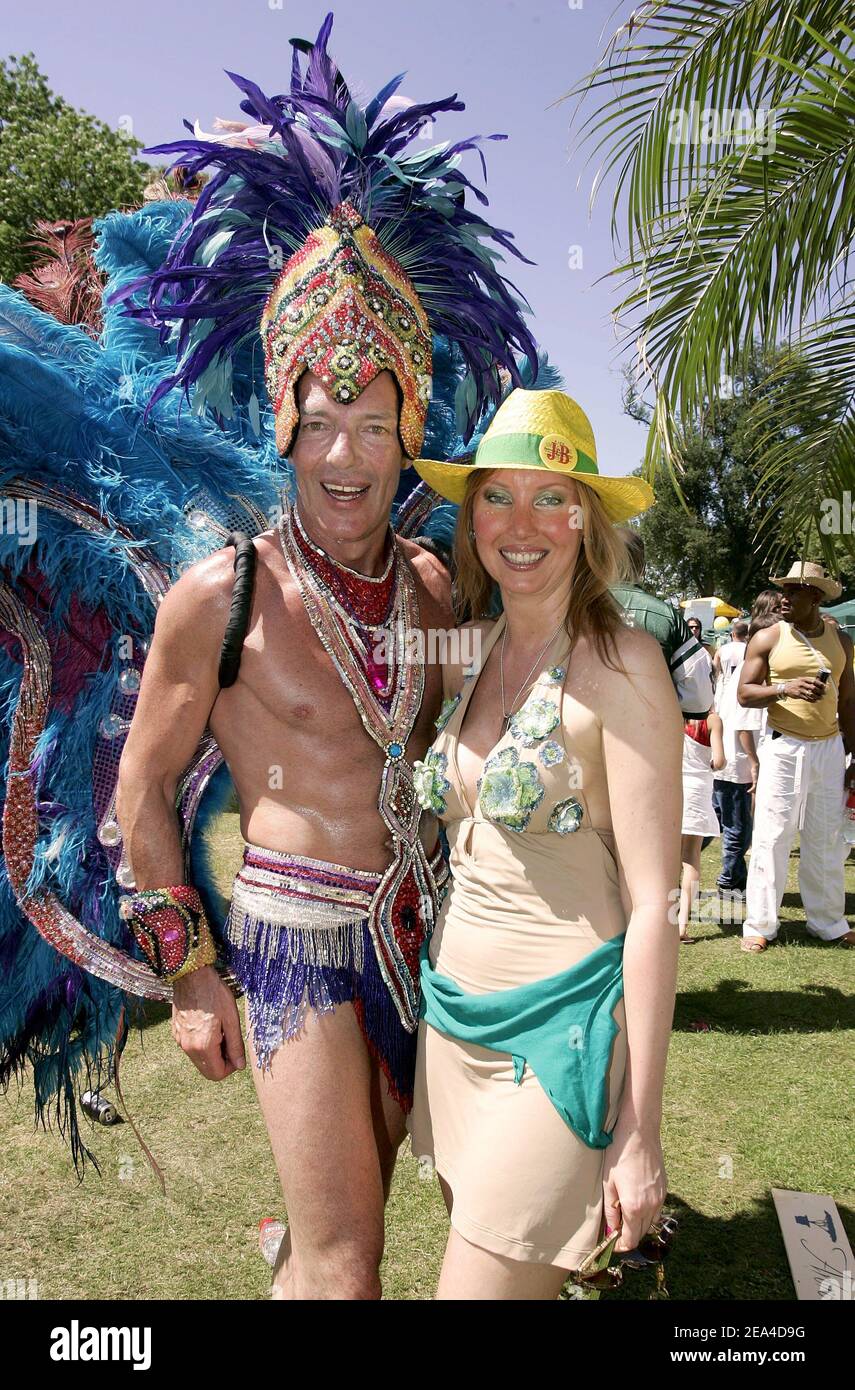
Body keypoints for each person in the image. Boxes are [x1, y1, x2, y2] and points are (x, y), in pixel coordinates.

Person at [115, 19, 538, 1300]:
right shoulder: (221, 592)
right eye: (319, 421)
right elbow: (138, 797)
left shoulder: (427, 581)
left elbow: (499, 721)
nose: (345, 456)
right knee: (351, 1265)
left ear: (415, 425)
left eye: (374, 421)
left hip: (422, 938)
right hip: (293, 934)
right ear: (283, 420)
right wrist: (191, 975)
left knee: (351, 1236)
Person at [408, 389, 683, 1300]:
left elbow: (655, 906)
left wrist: (640, 1131)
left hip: (560, 1041)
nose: (521, 524)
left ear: (586, 520)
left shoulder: (621, 663)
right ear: (470, 513)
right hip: (453, 1027)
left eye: (551, 498)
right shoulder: (468, 651)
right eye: (497, 496)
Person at [737, 562, 855, 952]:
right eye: (783, 590)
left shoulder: (842, 641)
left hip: (830, 746)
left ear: (816, 598)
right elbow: (744, 693)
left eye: (794, 592)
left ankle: (828, 922)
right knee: (772, 836)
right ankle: (760, 924)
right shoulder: (768, 637)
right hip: (784, 745)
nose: (784, 599)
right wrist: (784, 688)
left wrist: (852, 754)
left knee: (826, 838)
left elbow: (849, 699)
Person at [612, 529, 715, 715]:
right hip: (648, 732)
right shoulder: (666, 615)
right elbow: (699, 698)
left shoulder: (567, 609)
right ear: (642, 567)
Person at [711, 619, 757, 893]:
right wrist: (754, 761)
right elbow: (744, 726)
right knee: (736, 826)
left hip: (727, 755)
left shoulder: (729, 658)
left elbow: (717, 675)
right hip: (735, 760)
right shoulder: (749, 667)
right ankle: (728, 880)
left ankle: (736, 876)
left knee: (723, 820)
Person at [678, 711, 726, 940]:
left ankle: (658, 919)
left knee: (668, 859)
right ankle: (681, 924)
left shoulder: (672, 712)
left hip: (672, 785)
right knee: (691, 858)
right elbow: (719, 761)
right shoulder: (712, 720)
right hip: (697, 788)